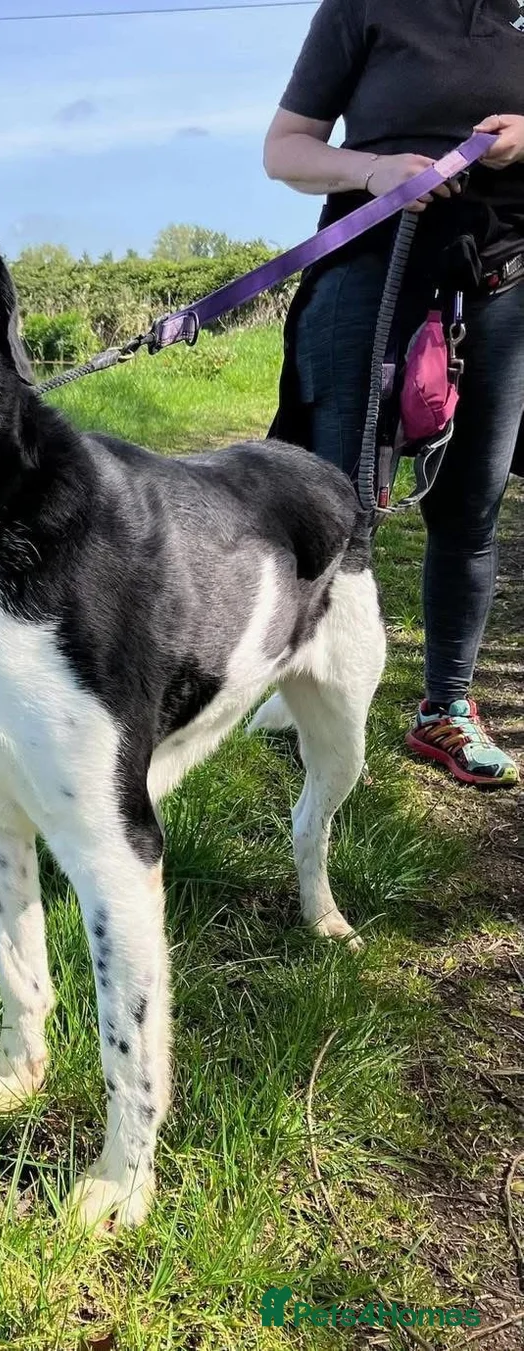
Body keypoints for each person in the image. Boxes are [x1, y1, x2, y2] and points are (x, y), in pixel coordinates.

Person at [263, 0, 523, 788]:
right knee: (335, 502)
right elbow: (284, 150)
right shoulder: (363, 7)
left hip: (503, 283)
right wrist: (374, 172)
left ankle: (445, 705)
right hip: (371, 266)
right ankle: (296, 690)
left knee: (470, 507)